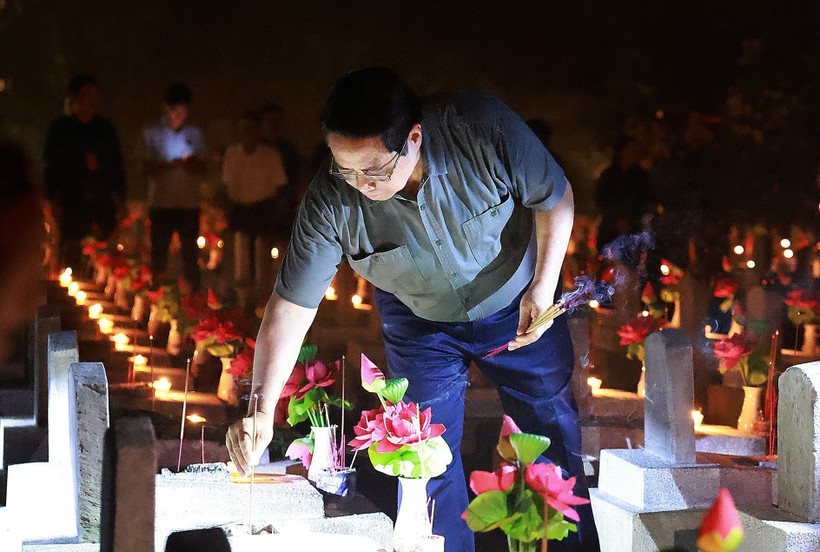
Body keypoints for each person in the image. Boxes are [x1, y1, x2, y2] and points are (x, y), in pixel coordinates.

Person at [226, 68, 598, 552]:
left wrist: (543, 287)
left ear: (414, 138)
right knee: (421, 458)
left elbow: (555, 196)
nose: (362, 185)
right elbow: (291, 306)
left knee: (550, 440)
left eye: (376, 170)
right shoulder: (331, 198)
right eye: (346, 169)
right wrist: (260, 408)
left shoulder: (483, 129)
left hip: (519, 303)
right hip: (419, 322)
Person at [43, 74, 125, 270]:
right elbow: (51, 165)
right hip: (71, 204)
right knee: (70, 258)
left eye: (95, 95)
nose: (92, 99)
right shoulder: (61, 129)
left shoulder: (105, 130)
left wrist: (121, 198)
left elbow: (117, 166)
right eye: (87, 94)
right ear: (74, 98)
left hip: (101, 205)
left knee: (102, 261)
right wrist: (52, 198)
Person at [139, 83, 207, 290]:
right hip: (161, 205)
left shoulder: (195, 134)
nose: (180, 115)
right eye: (175, 110)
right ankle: (153, 297)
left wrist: (190, 163)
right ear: (165, 107)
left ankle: (193, 300)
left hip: (188, 206)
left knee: (190, 257)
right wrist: (170, 164)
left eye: (183, 111)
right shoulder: (151, 133)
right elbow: (144, 168)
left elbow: (203, 167)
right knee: (158, 256)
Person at [221, 110, 288, 297]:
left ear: (259, 130)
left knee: (262, 256)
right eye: (244, 128)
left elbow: (279, 185)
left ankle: (261, 295)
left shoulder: (270, 155)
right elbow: (226, 184)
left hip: (262, 209)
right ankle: (238, 295)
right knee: (239, 255)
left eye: (251, 128)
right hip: (239, 209)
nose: (247, 132)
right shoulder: (232, 154)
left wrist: (276, 212)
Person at [259, 103, 303, 241]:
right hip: (261, 206)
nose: (273, 124)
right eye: (269, 120)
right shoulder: (258, 151)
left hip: (285, 206)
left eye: (276, 120)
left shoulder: (289, 150)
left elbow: (295, 177)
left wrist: (286, 200)